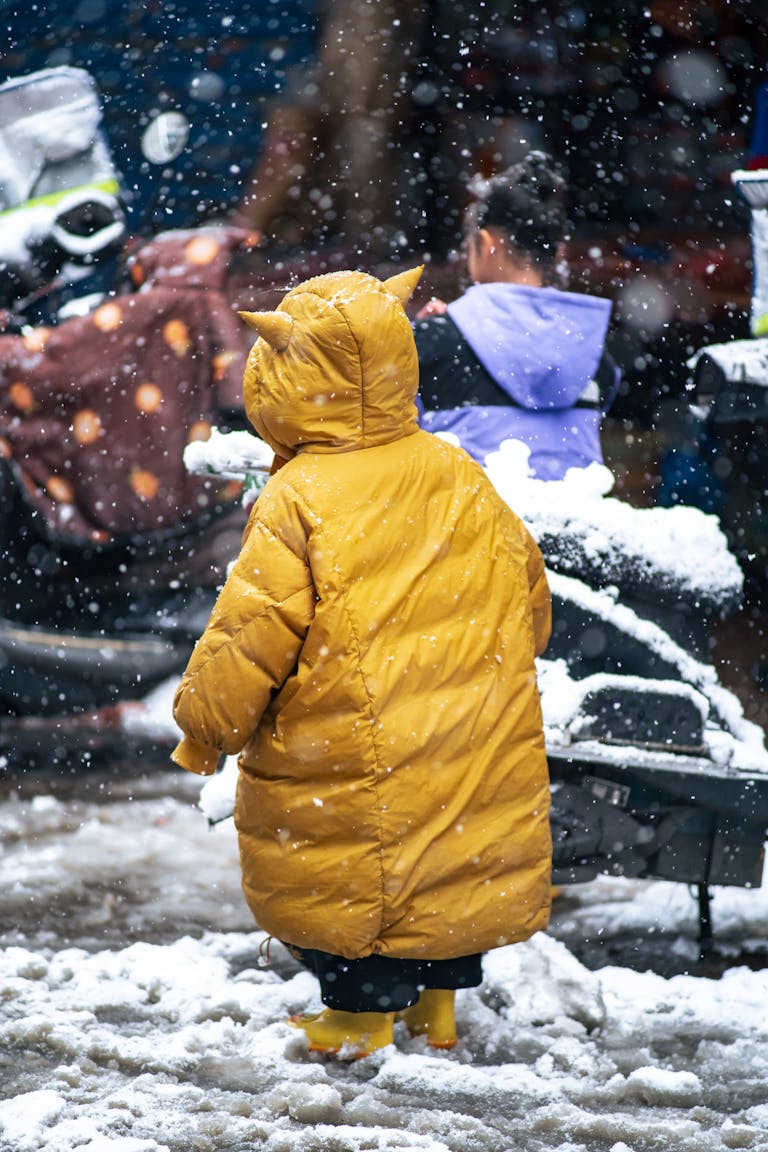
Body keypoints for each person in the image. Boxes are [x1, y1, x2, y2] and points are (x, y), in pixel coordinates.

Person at [171, 264, 553, 1059]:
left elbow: (251, 634)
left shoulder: (300, 497)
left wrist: (206, 726)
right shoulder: (454, 470)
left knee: (358, 877)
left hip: (351, 742)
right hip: (466, 730)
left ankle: (357, 1016)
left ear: (292, 375)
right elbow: (529, 593)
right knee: (451, 859)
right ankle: (435, 1006)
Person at [416, 151, 619, 479]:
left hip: (471, 525)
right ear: (557, 255)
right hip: (575, 523)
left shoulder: (434, 341)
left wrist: (414, 341)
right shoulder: (594, 354)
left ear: (485, 243)